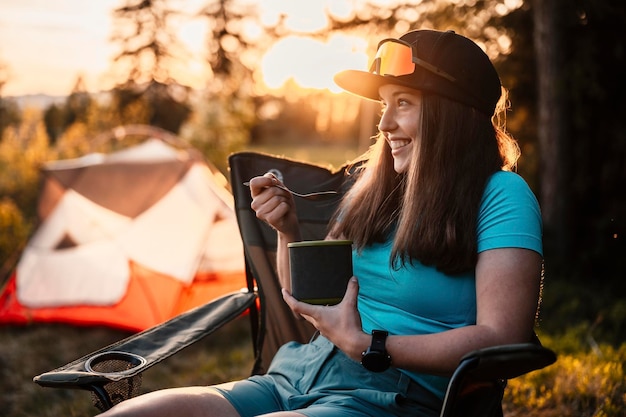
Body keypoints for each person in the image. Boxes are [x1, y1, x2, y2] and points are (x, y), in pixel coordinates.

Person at [99, 29, 543, 417]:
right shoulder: (374, 191)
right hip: (297, 373)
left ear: (451, 115)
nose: (385, 123)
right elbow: (310, 302)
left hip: (392, 397)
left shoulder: (500, 196)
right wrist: (287, 230)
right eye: (384, 105)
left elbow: (503, 338)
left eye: (403, 103)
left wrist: (371, 347)